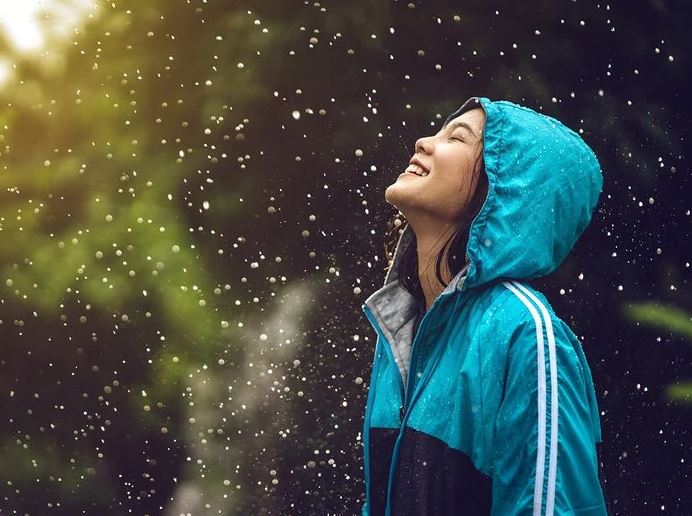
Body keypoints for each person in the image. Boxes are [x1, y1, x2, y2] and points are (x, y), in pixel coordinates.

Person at [360, 96, 608, 515]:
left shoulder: (525, 333)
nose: (423, 143)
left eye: (456, 137)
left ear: (506, 187)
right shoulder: (402, 326)